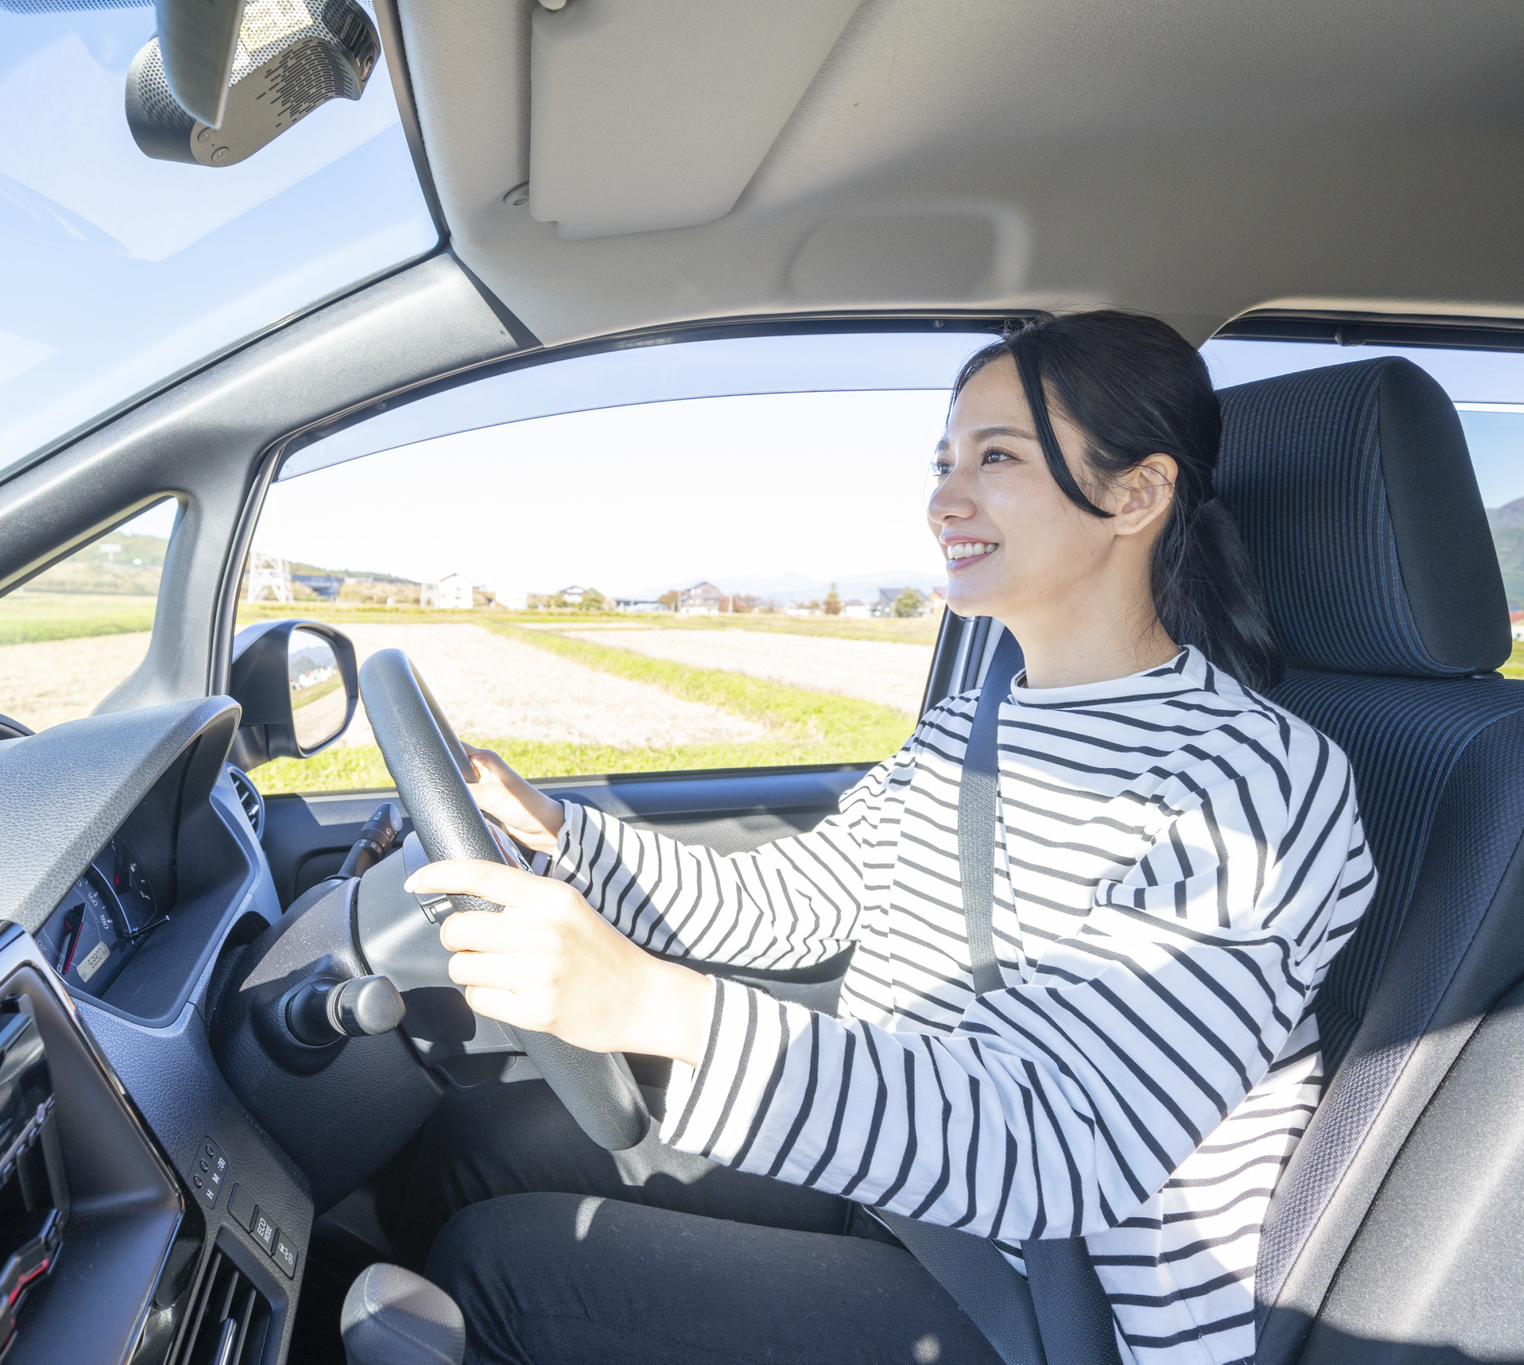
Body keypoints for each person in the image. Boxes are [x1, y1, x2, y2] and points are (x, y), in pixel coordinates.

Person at [396, 311, 1376, 1365]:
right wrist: (552, 831)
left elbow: (1062, 1150)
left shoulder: (1244, 777)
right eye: (942, 460)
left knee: (497, 1265)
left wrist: (649, 1003)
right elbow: (792, 906)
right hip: (916, 1186)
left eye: (995, 458)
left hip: (1049, 1300)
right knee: (464, 1154)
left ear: (1133, 495)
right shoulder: (975, 724)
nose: (941, 500)